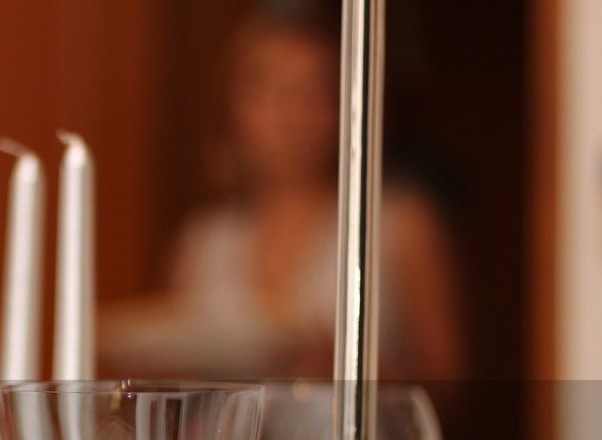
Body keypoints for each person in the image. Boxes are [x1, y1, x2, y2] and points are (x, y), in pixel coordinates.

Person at [99, 0, 463, 382]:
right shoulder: (201, 242)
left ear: (345, 107)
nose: (289, 114)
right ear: (230, 106)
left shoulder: (400, 226)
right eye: (267, 89)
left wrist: (350, 375)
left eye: (310, 90)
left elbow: (447, 382)